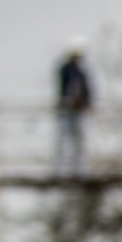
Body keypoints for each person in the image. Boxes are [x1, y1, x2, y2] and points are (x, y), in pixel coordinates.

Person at [55, 41, 92, 179]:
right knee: (63, 141)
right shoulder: (65, 70)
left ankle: (80, 171)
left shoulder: (82, 73)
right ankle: (59, 170)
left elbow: (88, 92)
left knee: (80, 142)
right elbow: (63, 90)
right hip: (66, 112)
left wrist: (85, 103)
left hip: (79, 113)